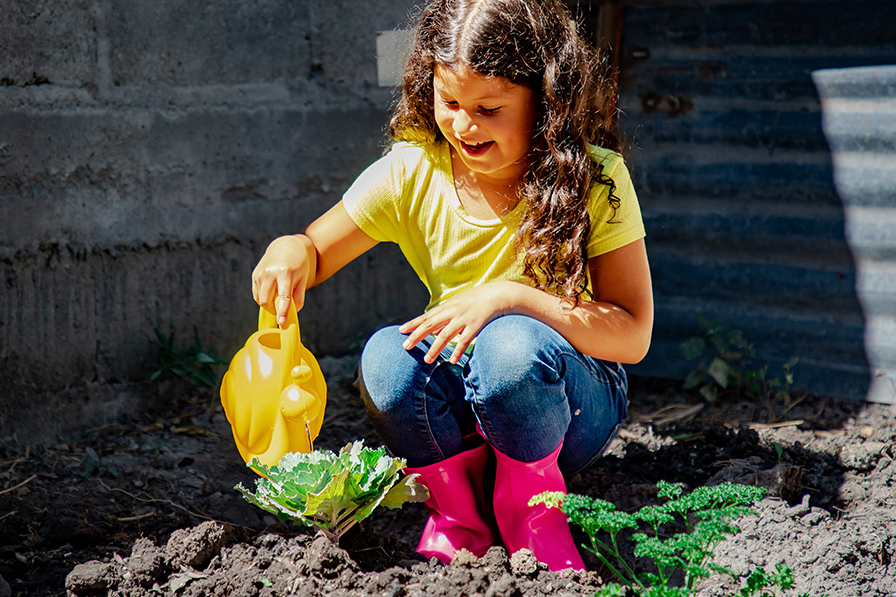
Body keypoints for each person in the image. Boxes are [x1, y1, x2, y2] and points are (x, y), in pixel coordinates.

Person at [250, 0, 652, 571]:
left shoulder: (595, 178)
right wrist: (291, 249)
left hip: (568, 407)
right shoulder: (413, 170)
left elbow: (632, 335)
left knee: (509, 342)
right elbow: (315, 250)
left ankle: (533, 513)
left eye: (489, 108)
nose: (464, 125)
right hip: (465, 396)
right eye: (450, 102)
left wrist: (512, 297)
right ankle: (459, 514)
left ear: (545, 99)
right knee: (385, 360)